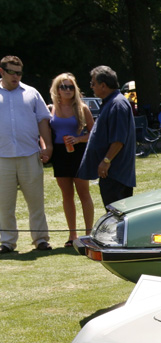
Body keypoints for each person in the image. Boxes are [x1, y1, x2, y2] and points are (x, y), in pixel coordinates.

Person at [0, 55, 53, 253]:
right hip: (2, 157)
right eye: (11, 72)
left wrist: (48, 145)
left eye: (19, 73)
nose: (16, 76)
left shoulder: (31, 93)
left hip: (30, 154)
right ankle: (7, 242)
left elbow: (43, 120)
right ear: (2, 72)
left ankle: (40, 239)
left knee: (36, 201)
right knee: (4, 204)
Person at [78, 65, 135, 208]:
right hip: (112, 173)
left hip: (117, 174)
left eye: (93, 83)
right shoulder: (111, 102)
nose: (92, 87)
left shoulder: (117, 104)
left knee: (117, 216)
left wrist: (106, 160)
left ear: (103, 85)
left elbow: (119, 139)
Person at [48, 72, 94, 248]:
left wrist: (78, 139)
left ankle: (89, 233)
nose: (67, 90)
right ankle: (72, 234)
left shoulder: (82, 108)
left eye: (70, 87)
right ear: (57, 90)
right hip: (60, 153)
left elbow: (93, 133)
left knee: (84, 193)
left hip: (79, 151)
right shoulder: (52, 108)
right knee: (66, 195)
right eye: (63, 87)